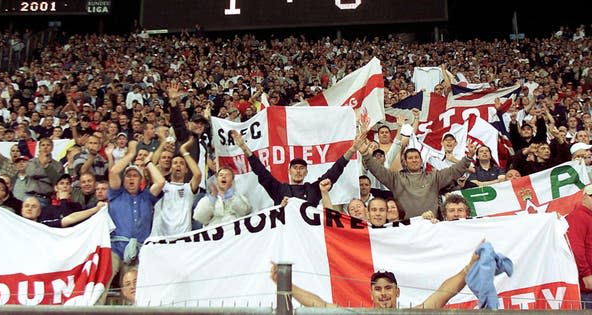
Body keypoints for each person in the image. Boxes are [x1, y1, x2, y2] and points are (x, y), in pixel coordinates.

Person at [270, 248, 479, 309]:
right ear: (371, 293)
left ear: (397, 291)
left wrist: (468, 269)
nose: (383, 293)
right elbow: (320, 305)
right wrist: (287, 285)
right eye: (378, 289)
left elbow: (442, 294)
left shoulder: (412, 314)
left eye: (388, 288)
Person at [230, 127, 368, 206]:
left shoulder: (314, 188)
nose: (298, 171)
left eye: (302, 168)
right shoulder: (278, 189)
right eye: (295, 168)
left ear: (306, 172)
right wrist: (243, 147)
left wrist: (352, 149)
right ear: (289, 171)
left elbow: (335, 170)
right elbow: (260, 170)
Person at [361, 142, 477, 219]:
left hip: (431, 225)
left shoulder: (434, 177)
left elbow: (454, 171)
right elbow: (377, 170)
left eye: (416, 157)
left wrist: (468, 157)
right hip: (406, 227)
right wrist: (365, 154)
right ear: (405, 162)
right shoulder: (395, 178)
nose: (414, 160)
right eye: (410, 158)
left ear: (421, 161)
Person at [107, 140, 165, 287]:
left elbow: (160, 182)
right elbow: (113, 171)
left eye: (135, 176)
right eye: (128, 176)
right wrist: (131, 154)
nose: (131, 178)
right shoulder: (116, 194)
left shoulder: (147, 196)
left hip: (138, 252)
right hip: (115, 249)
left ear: (141, 180)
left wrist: (148, 163)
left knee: (134, 288)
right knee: (104, 282)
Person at [150, 137, 202, 236]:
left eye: (182, 164)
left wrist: (184, 152)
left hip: (182, 239)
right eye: (175, 163)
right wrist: (163, 143)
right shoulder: (161, 185)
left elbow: (198, 175)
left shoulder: (188, 188)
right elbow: (151, 164)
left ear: (186, 170)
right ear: (170, 168)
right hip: (159, 239)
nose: (178, 165)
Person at [565, 184, 592, 309]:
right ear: (585, 197)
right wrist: (586, 274)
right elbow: (576, 248)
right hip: (586, 286)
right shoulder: (578, 216)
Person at [25, 137, 63, 207]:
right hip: (29, 196)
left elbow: (56, 180)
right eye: (43, 145)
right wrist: (47, 176)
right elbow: (32, 173)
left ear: (52, 148)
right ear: (39, 148)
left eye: (48, 145)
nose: (45, 147)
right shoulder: (32, 162)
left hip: (45, 198)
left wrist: (46, 166)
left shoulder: (58, 165)